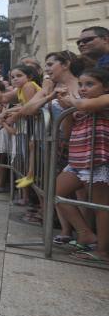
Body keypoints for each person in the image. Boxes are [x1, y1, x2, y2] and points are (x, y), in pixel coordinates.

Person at [55, 68, 109, 263]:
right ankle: (85, 232)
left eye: (89, 84)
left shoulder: (104, 100)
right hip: (77, 161)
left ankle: (103, 251)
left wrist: (73, 101)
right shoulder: (80, 105)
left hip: (98, 162)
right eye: (81, 85)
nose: (83, 88)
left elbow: (85, 105)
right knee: (56, 191)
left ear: (105, 87)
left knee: (101, 207)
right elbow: (67, 133)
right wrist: (67, 111)